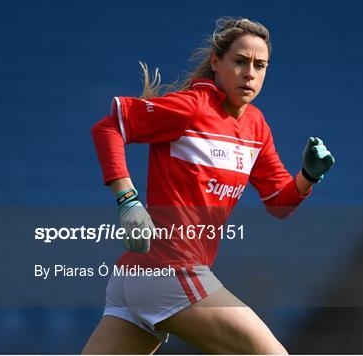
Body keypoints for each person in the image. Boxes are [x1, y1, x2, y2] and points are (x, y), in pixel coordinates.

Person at [82, 17, 335, 354]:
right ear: (216, 62)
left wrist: (308, 176)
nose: (250, 73)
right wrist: (128, 200)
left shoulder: (257, 126)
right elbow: (109, 127)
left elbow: (278, 203)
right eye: (240, 61)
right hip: (168, 270)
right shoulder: (192, 106)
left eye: (260, 66)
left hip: (137, 279)